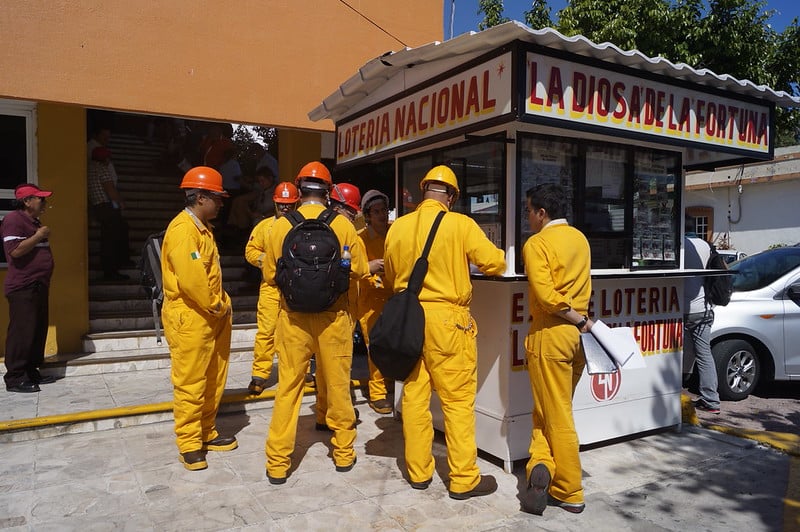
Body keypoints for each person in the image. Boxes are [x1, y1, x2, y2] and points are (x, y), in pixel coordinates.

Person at [383, 165, 506, 500]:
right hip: (449, 322)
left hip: (410, 319)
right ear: (451, 196)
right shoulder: (461, 224)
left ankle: (419, 472)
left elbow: (391, 276)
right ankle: (464, 478)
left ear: (424, 192)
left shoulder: (399, 227)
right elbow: (495, 263)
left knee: (413, 397)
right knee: (457, 402)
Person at [262, 161, 369, 483]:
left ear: (299, 188)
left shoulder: (279, 226)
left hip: (292, 319)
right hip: (333, 317)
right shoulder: (343, 225)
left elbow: (269, 274)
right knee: (337, 386)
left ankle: (278, 463)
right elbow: (360, 268)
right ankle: (344, 452)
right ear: (328, 190)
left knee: (289, 390)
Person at [520, 183, 593, 516]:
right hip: (575, 342)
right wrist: (580, 322)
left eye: (528, 211)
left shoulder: (537, 243)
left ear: (542, 213)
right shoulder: (579, 238)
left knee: (557, 416)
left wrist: (578, 319)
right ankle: (542, 463)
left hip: (550, 334)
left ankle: (569, 489)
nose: (528, 217)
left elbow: (548, 298)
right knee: (547, 411)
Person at [161, 166, 237, 471]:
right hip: (192, 316)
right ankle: (190, 443)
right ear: (201, 196)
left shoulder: (201, 229)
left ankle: (207, 431)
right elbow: (193, 281)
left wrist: (221, 305)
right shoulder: (182, 231)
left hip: (210, 314)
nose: (221, 204)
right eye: (217, 198)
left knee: (214, 378)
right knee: (191, 381)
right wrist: (217, 305)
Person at [244, 181, 300, 395]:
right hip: (271, 287)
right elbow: (250, 250)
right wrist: (265, 260)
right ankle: (260, 374)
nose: (285, 208)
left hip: (295, 287)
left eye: (289, 205)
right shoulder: (264, 227)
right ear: (275, 203)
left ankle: (298, 372)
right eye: (281, 204)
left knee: (296, 333)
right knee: (266, 332)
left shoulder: (301, 226)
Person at [2, 184, 58, 393]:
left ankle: (31, 371)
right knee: (22, 332)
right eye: (40, 199)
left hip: (39, 284)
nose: (44, 203)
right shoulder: (14, 220)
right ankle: (15, 377)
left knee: (37, 329)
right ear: (27, 201)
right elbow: (14, 251)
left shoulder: (34, 221)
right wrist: (39, 235)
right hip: (23, 286)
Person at [357, 189, 394, 415]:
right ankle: (378, 393)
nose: (381, 215)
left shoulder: (394, 232)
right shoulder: (360, 239)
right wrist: (372, 274)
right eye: (376, 211)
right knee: (376, 346)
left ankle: (389, 381)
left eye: (383, 210)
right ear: (368, 215)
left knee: (393, 345)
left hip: (394, 297)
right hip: (371, 301)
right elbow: (358, 270)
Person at [684, 218, 720, 414]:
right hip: (704, 308)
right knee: (704, 355)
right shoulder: (706, 246)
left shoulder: (680, 247)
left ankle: (670, 393)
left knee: (674, 351)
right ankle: (711, 400)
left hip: (681, 308)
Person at [87, 146, 132, 281]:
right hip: (107, 207)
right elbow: (110, 189)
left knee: (110, 237)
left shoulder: (88, 168)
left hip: (97, 207)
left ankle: (116, 264)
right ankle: (113, 269)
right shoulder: (101, 168)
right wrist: (121, 203)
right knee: (112, 239)